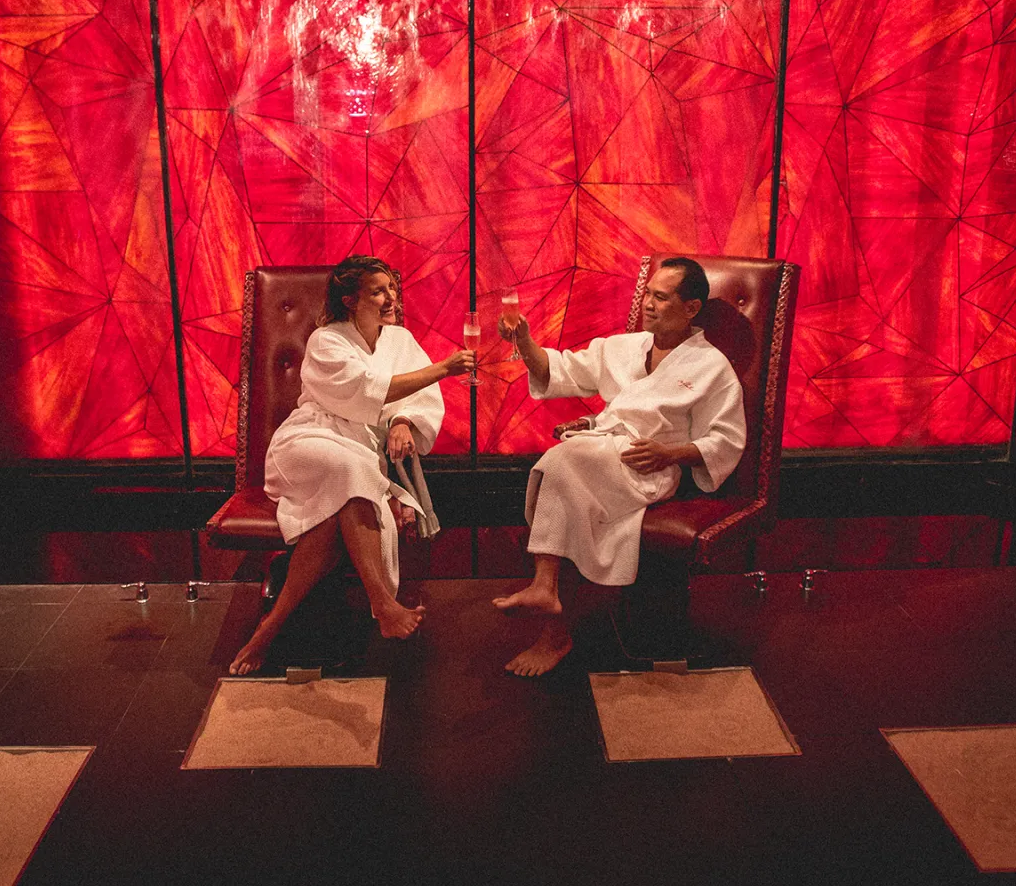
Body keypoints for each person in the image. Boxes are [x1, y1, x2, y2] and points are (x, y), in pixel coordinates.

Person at [491, 257, 746, 676]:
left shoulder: (711, 367)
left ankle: (547, 601)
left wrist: (671, 454)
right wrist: (523, 341)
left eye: (661, 297)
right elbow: (556, 370)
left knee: (561, 461)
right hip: (602, 454)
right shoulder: (623, 348)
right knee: (563, 469)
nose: (647, 303)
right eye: (647, 293)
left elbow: (726, 439)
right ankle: (550, 611)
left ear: (691, 309)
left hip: (651, 467)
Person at [228, 256, 475, 675]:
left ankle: (267, 632)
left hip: (356, 452)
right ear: (350, 300)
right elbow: (366, 392)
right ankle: (381, 600)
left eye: (390, 289)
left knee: (333, 513)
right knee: (352, 468)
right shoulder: (327, 341)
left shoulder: (399, 341)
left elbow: (411, 402)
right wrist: (443, 369)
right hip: (306, 443)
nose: (389, 298)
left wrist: (402, 421)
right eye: (377, 292)